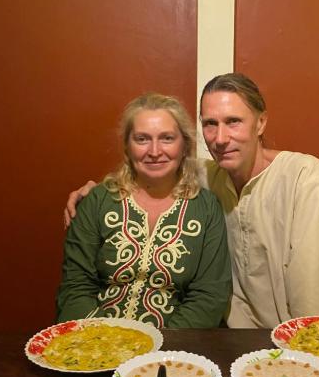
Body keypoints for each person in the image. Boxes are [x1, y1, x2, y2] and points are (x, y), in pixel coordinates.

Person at [64, 75, 319, 328]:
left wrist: (310, 356)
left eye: (233, 122)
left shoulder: (304, 177)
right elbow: (154, 167)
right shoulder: (208, 175)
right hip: (230, 339)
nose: (221, 138)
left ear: (261, 122)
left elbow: (315, 292)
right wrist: (96, 191)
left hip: (292, 341)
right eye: (210, 124)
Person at [57, 93, 232, 328]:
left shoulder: (206, 207)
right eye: (142, 139)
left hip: (171, 351)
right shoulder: (97, 201)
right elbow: (75, 287)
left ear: (185, 146)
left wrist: (161, 347)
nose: (155, 151)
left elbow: (209, 296)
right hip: (95, 345)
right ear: (127, 147)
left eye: (167, 138)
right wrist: (100, 343)